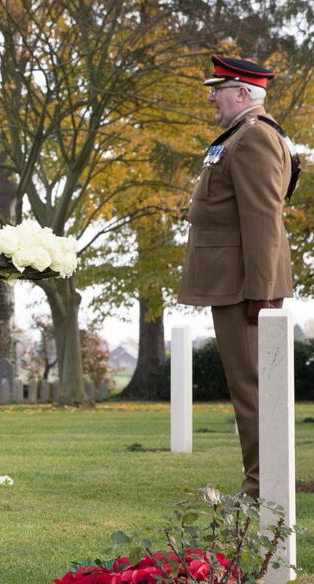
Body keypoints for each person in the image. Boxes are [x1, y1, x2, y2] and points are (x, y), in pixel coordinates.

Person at [178, 56, 299, 498]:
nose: (211, 96)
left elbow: (263, 219)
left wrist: (262, 295)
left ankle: (260, 491)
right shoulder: (241, 136)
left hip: (246, 287)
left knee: (252, 388)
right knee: (248, 386)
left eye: (219, 88)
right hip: (236, 283)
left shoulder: (254, 139)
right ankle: (260, 485)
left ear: (243, 94)